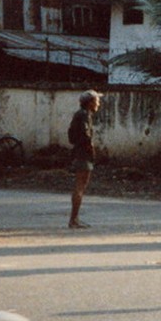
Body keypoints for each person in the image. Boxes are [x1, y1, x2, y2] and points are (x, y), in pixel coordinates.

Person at [68, 88, 102, 229]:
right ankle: (74, 219)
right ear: (90, 102)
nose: (98, 104)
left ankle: (74, 218)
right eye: (96, 101)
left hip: (79, 152)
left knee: (80, 185)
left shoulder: (80, 114)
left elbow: (72, 135)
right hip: (83, 154)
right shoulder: (84, 116)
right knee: (80, 186)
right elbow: (86, 135)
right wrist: (91, 150)